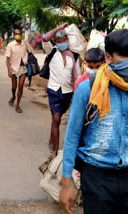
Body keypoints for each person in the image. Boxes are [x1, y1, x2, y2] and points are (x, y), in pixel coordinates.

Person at [59, 29, 128, 214]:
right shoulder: (88, 89)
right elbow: (72, 136)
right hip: (95, 176)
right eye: (124, 55)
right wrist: (66, 182)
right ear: (108, 57)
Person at [42, 23, 82, 152]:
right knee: (56, 118)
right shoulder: (52, 51)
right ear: (56, 42)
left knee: (57, 120)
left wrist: (77, 94)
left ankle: (51, 138)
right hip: (54, 89)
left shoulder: (74, 56)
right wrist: (58, 28)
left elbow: (77, 76)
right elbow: (45, 39)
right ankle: (56, 151)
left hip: (67, 91)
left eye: (64, 40)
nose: (62, 43)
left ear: (68, 40)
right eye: (59, 41)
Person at [5, 28, 33, 113]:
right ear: (14, 35)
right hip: (13, 67)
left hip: (23, 67)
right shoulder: (10, 45)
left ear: (21, 34)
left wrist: (28, 42)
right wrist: (8, 70)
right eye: (16, 33)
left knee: (20, 86)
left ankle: (17, 105)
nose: (18, 35)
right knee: (14, 87)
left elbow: (31, 51)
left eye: (20, 33)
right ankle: (13, 96)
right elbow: (7, 59)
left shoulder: (24, 43)